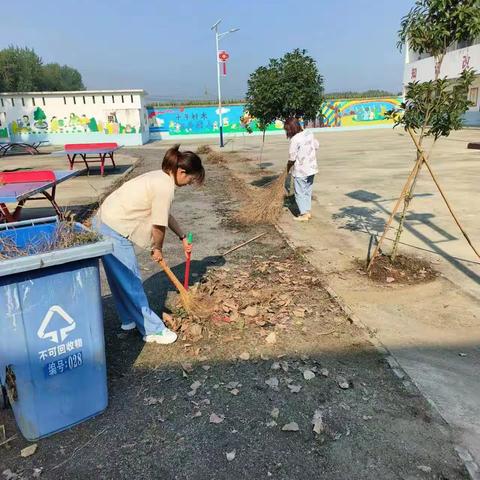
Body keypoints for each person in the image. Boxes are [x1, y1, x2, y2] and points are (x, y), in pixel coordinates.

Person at [94, 145, 205, 344]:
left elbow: (164, 214)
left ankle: (128, 319)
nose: (189, 183)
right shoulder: (165, 187)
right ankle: (152, 329)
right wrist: (157, 248)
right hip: (113, 228)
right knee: (130, 280)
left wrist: (181, 236)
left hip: (103, 221)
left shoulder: (161, 176)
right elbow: (159, 225)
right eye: (190, 179)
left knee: (119, 280)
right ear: (181, 172)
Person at [284, 117, 319, 222]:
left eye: (287, 130)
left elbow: (292, 157)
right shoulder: (309, 133)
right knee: (307, 191)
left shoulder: (295, 139)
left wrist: (288, 167)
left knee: (299, 192)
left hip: (301, 170)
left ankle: (303, 214)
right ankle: (307, 212)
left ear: (291, 129)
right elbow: (317, 145)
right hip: (312, 168)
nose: (287, 132)